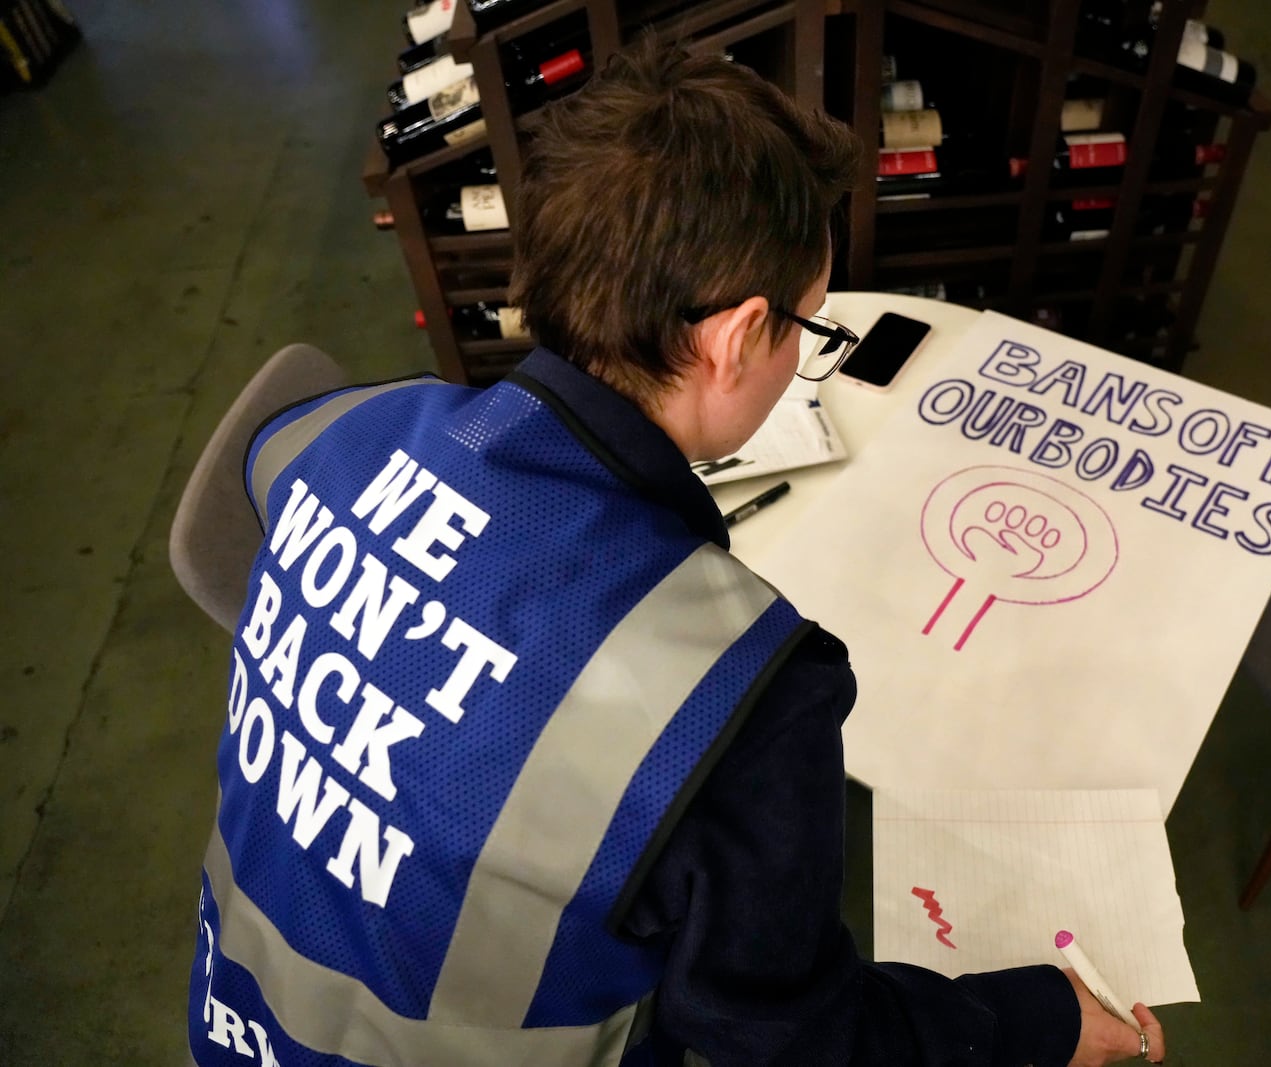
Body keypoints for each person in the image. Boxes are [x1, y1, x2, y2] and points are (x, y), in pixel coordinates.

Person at [188, 34, 1167, 1067]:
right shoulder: (742, 695)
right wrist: (1038, 1020)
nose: (801, 356)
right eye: (806, 324)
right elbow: (788, 1036)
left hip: (238, 1021)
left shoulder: (329, 437)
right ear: (736, 337)